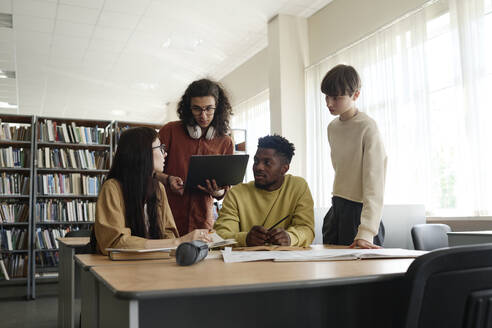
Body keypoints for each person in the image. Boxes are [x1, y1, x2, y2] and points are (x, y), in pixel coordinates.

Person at [94, 127, 211, 255]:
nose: (165, 154)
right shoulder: (112, 188)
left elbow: (168, 233)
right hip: (118, 268)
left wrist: (187, 245)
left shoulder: (158, 188)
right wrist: (178, 242)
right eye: (160, 148)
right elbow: (115, 243)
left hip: (155, 262)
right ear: (143, 153)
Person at [321, 64, 386, 249]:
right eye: (326, 96)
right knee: (333, 273)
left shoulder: (367, 127)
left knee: (362, 274)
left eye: (336, 97)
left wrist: (367, 230)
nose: (329, 103)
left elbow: (375, 183)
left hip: (360, 213)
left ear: (355, 95)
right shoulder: (332, 127)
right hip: (336, 209)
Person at [157, 79, 234, 236]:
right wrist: (168, 179)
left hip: (202, 220)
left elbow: (225, 189)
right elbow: (148, 169)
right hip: (167, 216)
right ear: (188, 108)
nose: (203, 116)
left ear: (218, 107)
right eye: (197, 109)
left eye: (209, 109)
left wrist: (217, 191)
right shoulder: (169, 131)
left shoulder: (225, 142)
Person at [214, 135, 314, 247]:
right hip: (245, 263)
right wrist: (245, 239)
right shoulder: (236, 193)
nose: (258, 167)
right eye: (256, 161)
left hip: (286, 262)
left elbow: (307, 229)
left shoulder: (298, 187)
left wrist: (290, 238)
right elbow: (219, 236)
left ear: (284, 169)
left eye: (267, 163)